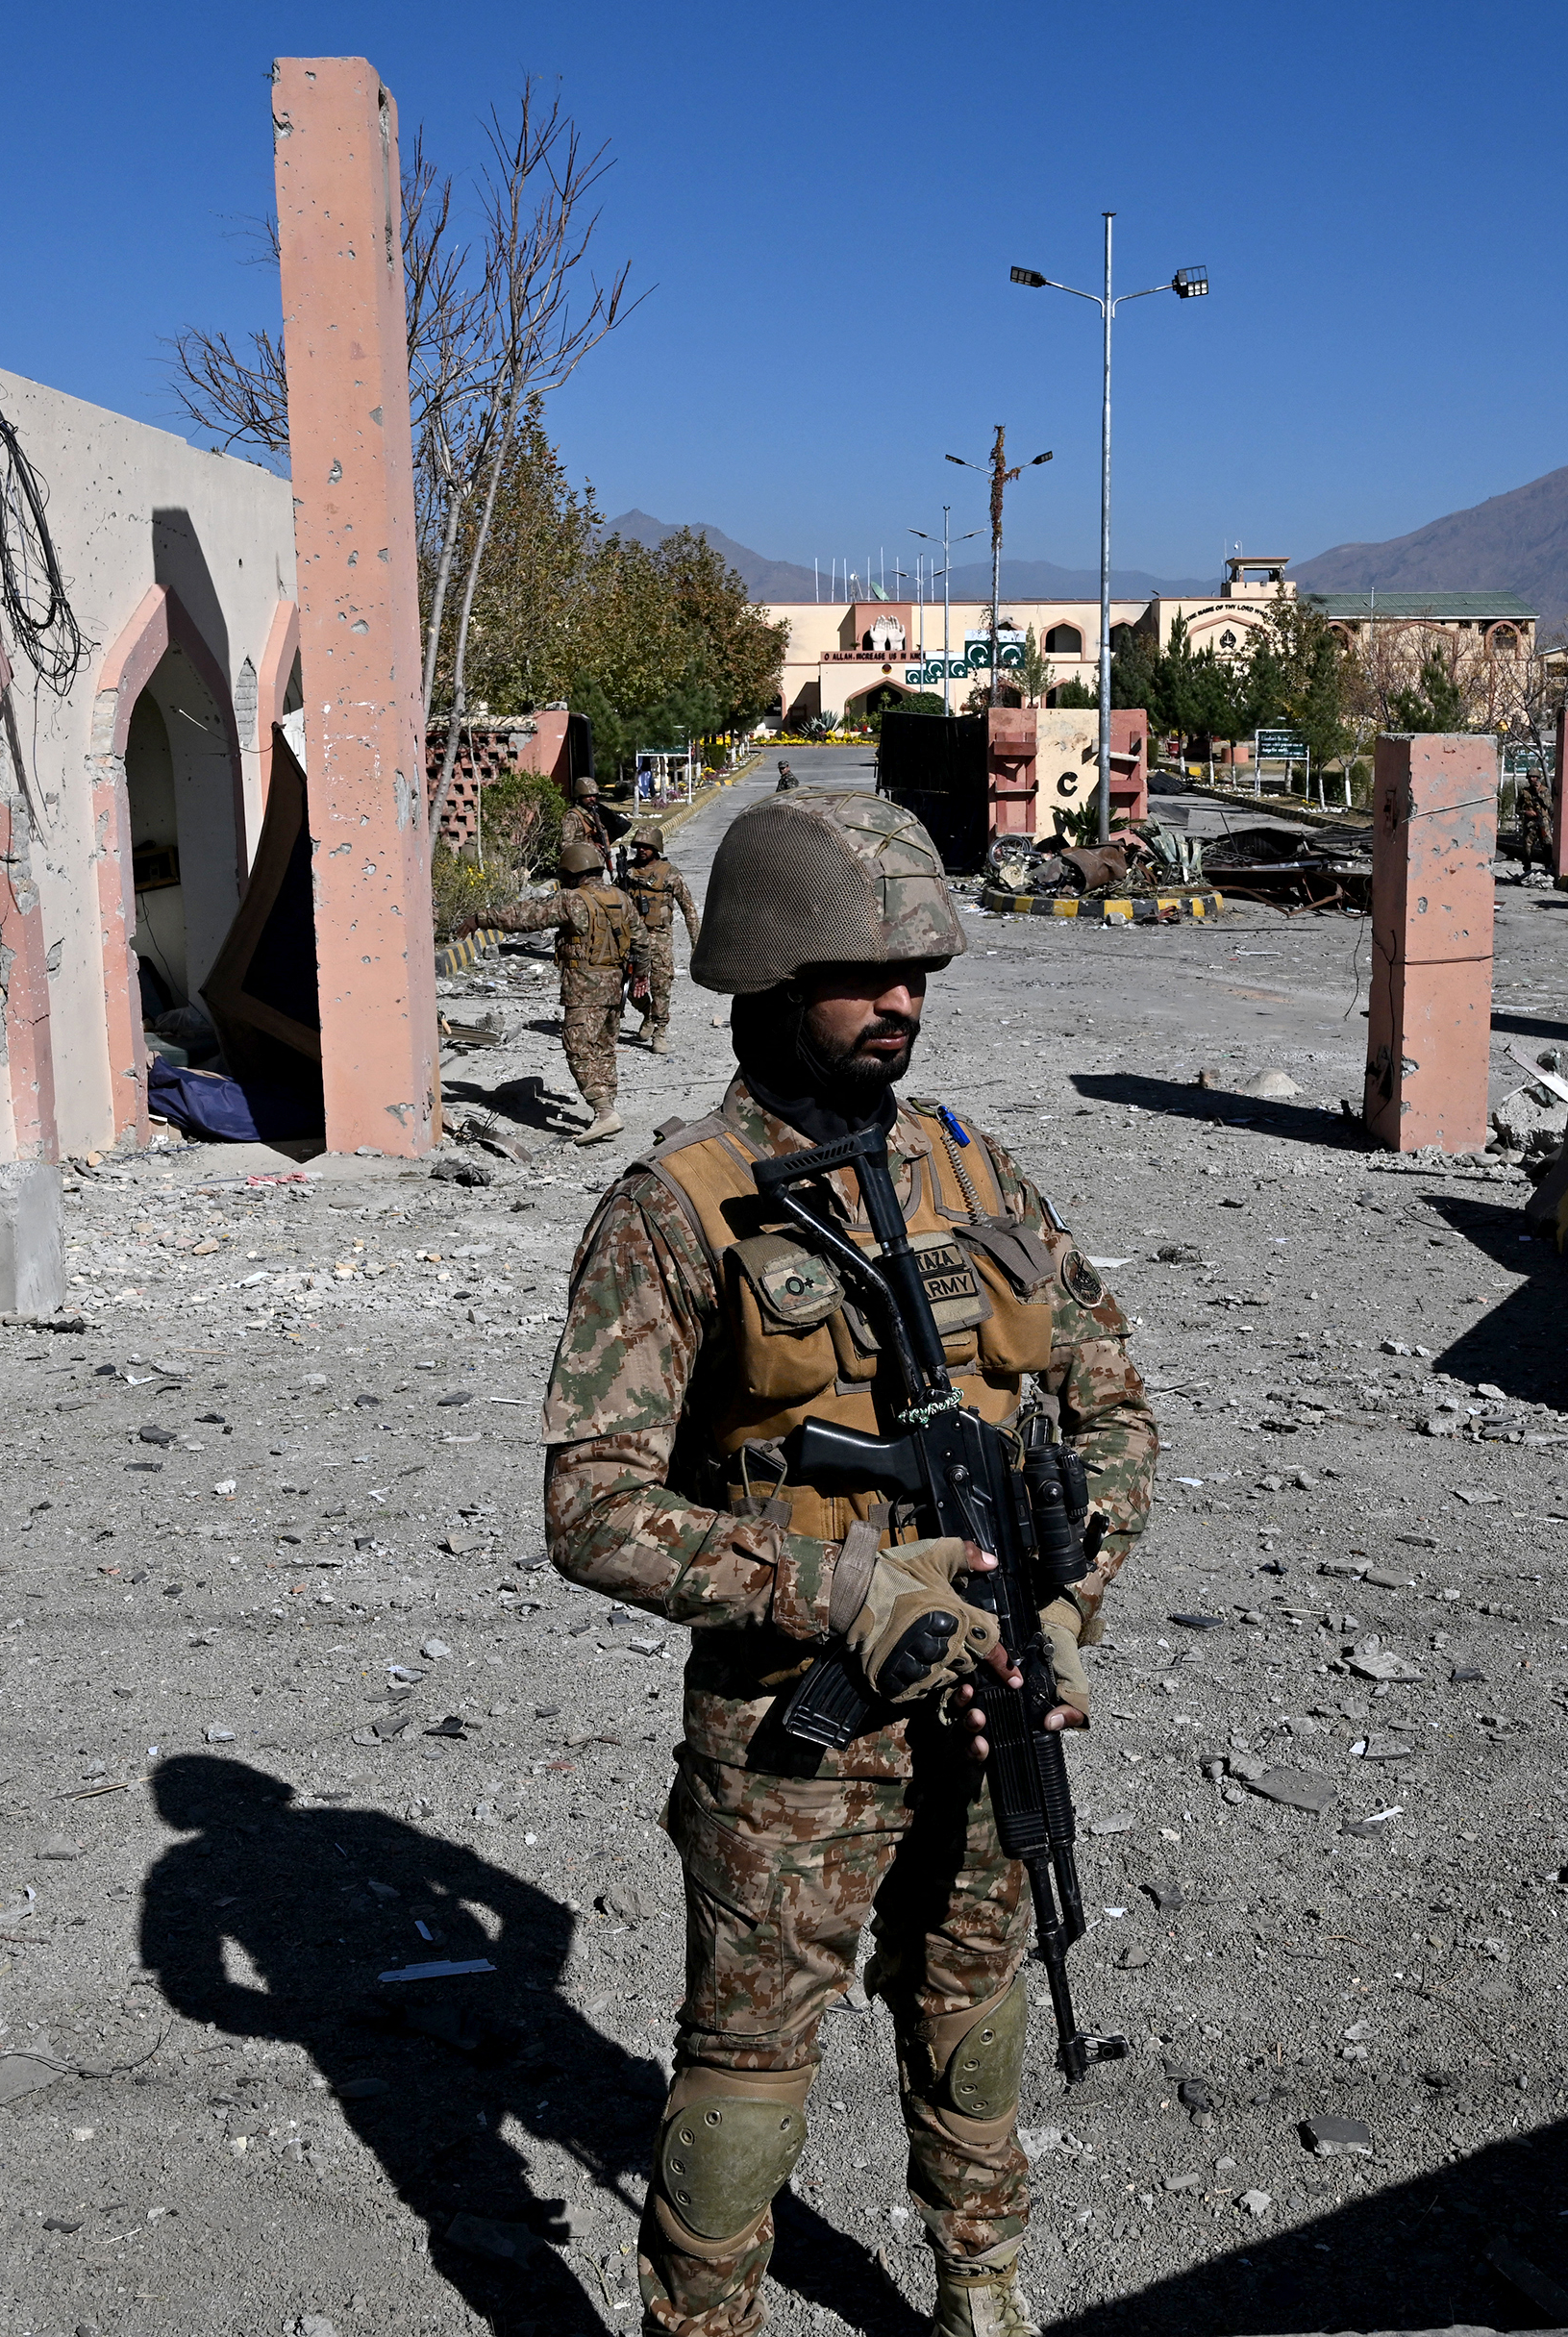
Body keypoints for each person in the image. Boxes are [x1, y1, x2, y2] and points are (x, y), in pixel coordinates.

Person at [538, 793, 1157, 2337]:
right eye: (861, 972)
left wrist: (1070, 1600)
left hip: (982, 1702)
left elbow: (1112, 1402)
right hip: (789, 1740)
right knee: (746, 2081)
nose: (902, 1000)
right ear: (762, 974)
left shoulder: (976, 1171)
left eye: (918, 973)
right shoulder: (677, 1212)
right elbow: (591, 1505)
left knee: (974, 2021)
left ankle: (982, 2287)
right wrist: (837, 1590)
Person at [448, 840, 639, 1144]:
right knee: (603, 1047)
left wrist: (481, 918)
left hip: (584, 990)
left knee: (578, 1047)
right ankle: (607, 1107)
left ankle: (604, 1112)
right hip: (615, 987)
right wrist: (639, 978)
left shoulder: (571, 901)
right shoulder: (621, 898)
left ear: (573, 872)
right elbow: (641, 942)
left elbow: (525, 916)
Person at [619, 837, 703, 1055]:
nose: (641, 851)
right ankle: (647, 1013)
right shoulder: (627, 872)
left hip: (660, 937)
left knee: (661, 984)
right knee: (630, 987)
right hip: (634, 937)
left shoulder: (670, 873)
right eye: (638, 847)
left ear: (656, 848)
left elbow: (689, 909)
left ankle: (660, 1030)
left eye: (646, 847)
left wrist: (697, 943)